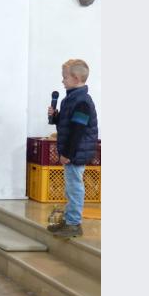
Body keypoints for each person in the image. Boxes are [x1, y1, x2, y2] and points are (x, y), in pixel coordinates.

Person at [47, 59, 99, 238]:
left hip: (75, 152)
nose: (62, 81)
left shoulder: (82, 100)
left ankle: (74, 224)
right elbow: (67, 124)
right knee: (70, 187)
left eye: (65, 77)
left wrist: (67, 154)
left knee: (75, 187)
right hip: (72, 151)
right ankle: (69, 220)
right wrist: (56, 117)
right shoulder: (70, 98)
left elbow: (78, 130)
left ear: (76, 78)